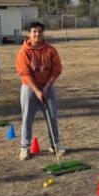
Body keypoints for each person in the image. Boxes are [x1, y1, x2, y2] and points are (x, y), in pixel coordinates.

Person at [16, 21, 66, 161]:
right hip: (29, 88)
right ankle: (25, 148)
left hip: (47, 88)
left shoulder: (50, 50)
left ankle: (55, 145)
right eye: (34, 32)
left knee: (52, 117)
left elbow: (57, 69)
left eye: (40, 31)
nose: (37, 34)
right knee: (27, 119)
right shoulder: (24, 51)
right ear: (29, 34)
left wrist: (46, 87)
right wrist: (36, 90)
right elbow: (24, 73)